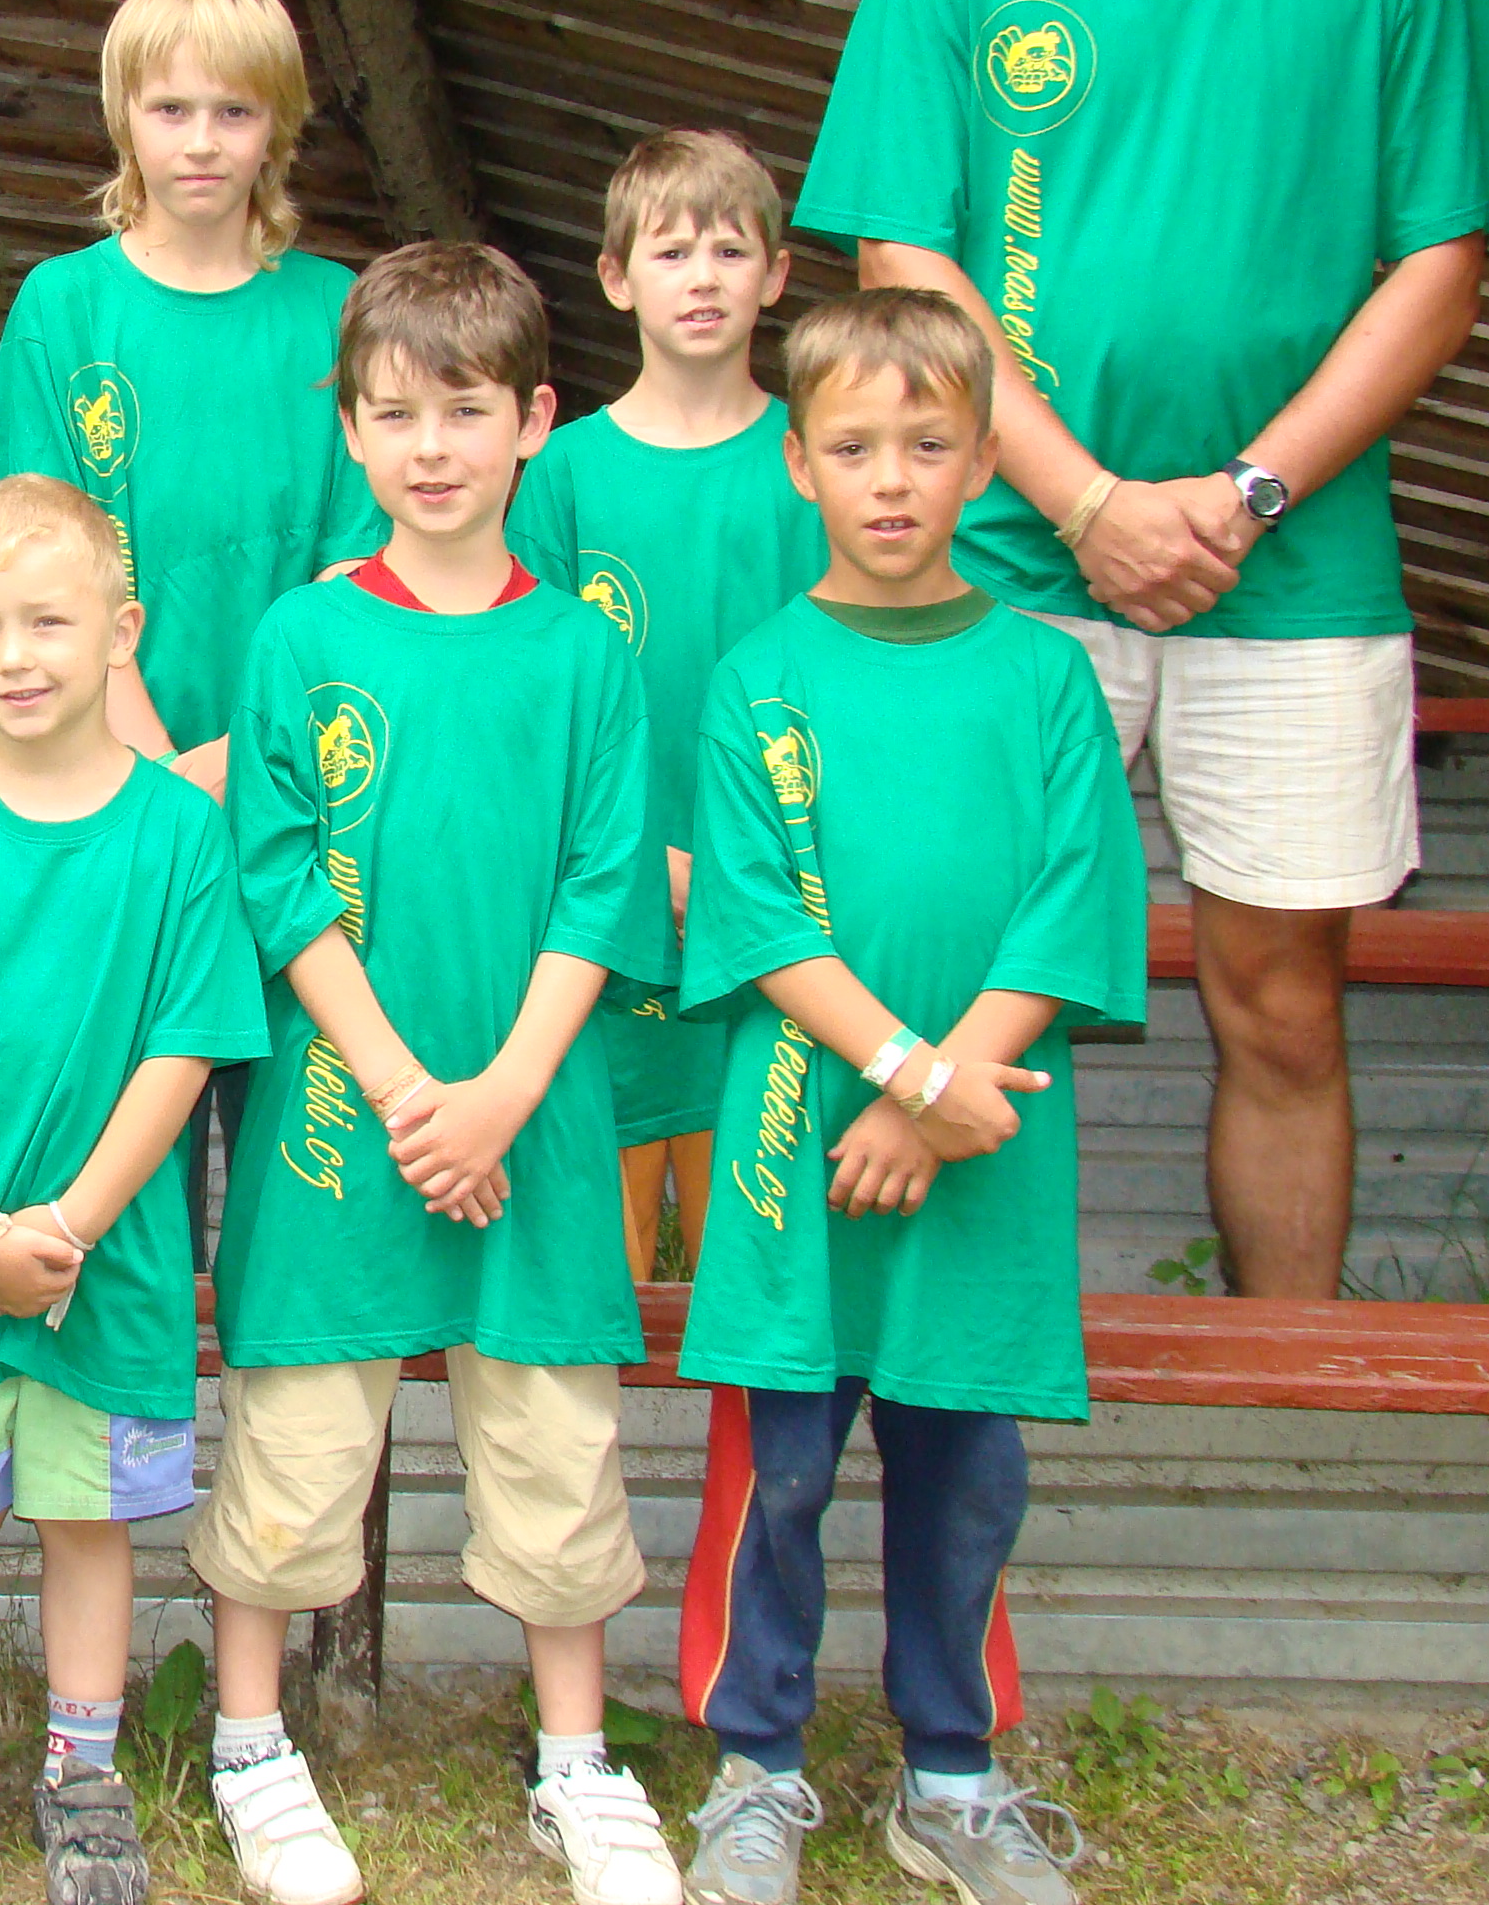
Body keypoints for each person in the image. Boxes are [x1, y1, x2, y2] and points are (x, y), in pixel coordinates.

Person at [796, 0, 1489, 1297]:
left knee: (1279, 1002)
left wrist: (1241, 496)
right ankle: (935, 1381)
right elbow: (905, 259)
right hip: (994, 559)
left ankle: (1286, 1393)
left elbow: (1438, 269)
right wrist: (1086, 502)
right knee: (938, 969)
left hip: (1290, 568)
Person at [200, 243, 681, 1905]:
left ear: (533, 421)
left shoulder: (584, 654)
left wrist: (497, 1096)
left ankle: (574, 1762)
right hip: (343, 1123)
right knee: (293, 1449)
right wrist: (411, 1088)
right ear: (346, 427)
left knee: (554, 1453)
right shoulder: (299, 636)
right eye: (393, 413)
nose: (430, 447)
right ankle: (248, 1745)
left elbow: (601, 887)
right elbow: (277, 878)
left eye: (465, 411)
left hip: (532, 1124)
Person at [672, 292, 1143, 1905]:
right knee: (783, 1473)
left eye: (929, 445)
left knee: (965, 1472)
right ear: (797, 461)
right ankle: (755, 1766)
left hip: (985, 1146)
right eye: (855, 446)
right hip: (798, 1140)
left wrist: (945, 1092)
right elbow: (757, 918)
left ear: (984, 462)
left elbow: (1071, 901)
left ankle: (951, 1775)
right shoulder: (758, 677)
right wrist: (899, 1074)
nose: (891, 478)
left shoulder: (1046, 677)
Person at [0, 475, 269, 1905]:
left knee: (88, 1522)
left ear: (120, 633)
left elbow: (184, 1051)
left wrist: (67, 1225)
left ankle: (84, 1772)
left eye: (47, 623)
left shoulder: (180, 836)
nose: (12, 658)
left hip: (108, 1261)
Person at [510, 132, 825, 1281]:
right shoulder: (563, 476)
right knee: (607, 1270)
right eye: (672, 251)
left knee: (762, 1270)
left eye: (731, 251)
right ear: (615, 276)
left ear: (776, 275)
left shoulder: (817, 465)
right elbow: (535, 712)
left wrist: (740, 868)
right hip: (613, 926)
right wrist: (648, 862)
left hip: (785, 914)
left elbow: (843, 695)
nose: (703, 278)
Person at [0, 0, 381, 802]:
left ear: (279, 124)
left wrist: (246, 756)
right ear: (123, 116)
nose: (202, 142)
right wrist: (161, 777)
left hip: (301, 767)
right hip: (101, 775)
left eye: (235, 111)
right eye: (171, 109)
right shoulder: (65, 306)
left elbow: (360, 569)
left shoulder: (337, 311)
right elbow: (36, 565)